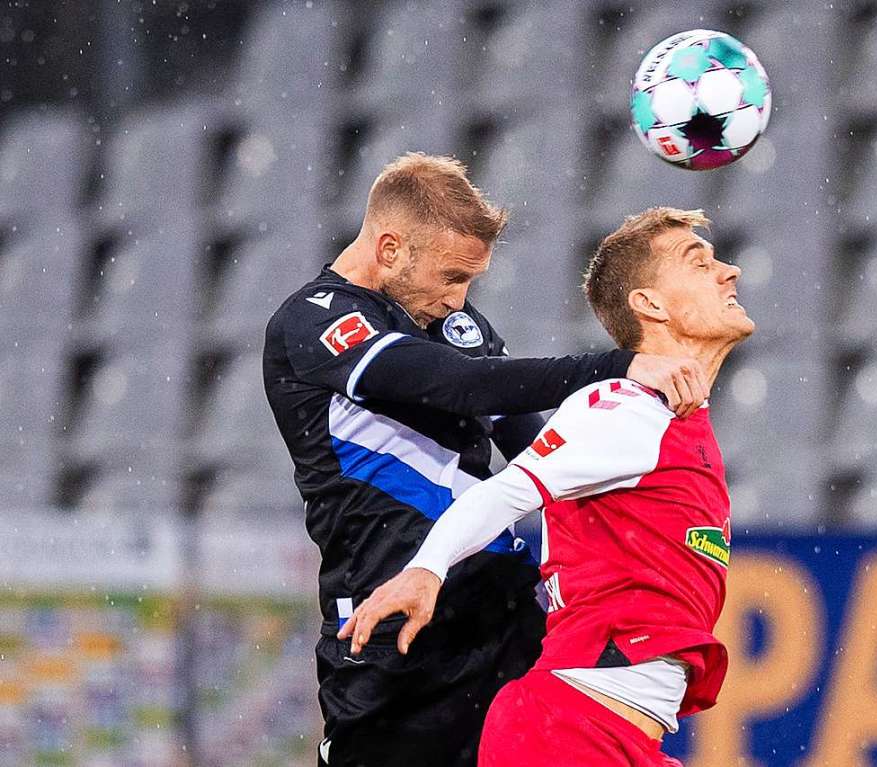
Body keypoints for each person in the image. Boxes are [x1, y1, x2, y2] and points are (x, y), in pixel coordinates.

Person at [262, 154, 712, 767]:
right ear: (389, 249)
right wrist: (615, 364)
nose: (459, 300)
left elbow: (535, 446)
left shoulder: (455, 320)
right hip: (394, 619)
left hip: (503, 608)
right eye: (450, 277)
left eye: (470, 281)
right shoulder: (314, 321)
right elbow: (460, 387)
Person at [341, 207, 754, 767]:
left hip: (614, 738)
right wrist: (427, 568)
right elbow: (506, 492)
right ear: (649, 304)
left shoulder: (678, 418)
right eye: (698, 262)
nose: (728, 271)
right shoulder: (622, 407)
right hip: (567, 734)